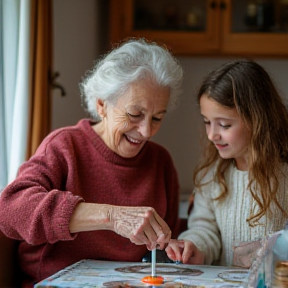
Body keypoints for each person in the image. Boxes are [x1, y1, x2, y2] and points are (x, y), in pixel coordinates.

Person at [0, 38, 183, 288]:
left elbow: (162, 250)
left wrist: (174, 249)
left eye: (157, 118)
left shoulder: (160, 162)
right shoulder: (64, 146)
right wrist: (111, 216)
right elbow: (10, 210)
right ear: (101, 104)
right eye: (135, 114)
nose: (146, 131)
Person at [165, 59, 288, 268]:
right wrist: (195, 245)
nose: (212, 134)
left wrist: (272, 251)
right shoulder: (212, 176)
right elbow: (205, 229)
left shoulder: (283, 175)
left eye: (224, 124)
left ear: (257, 120)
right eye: (206, 122)